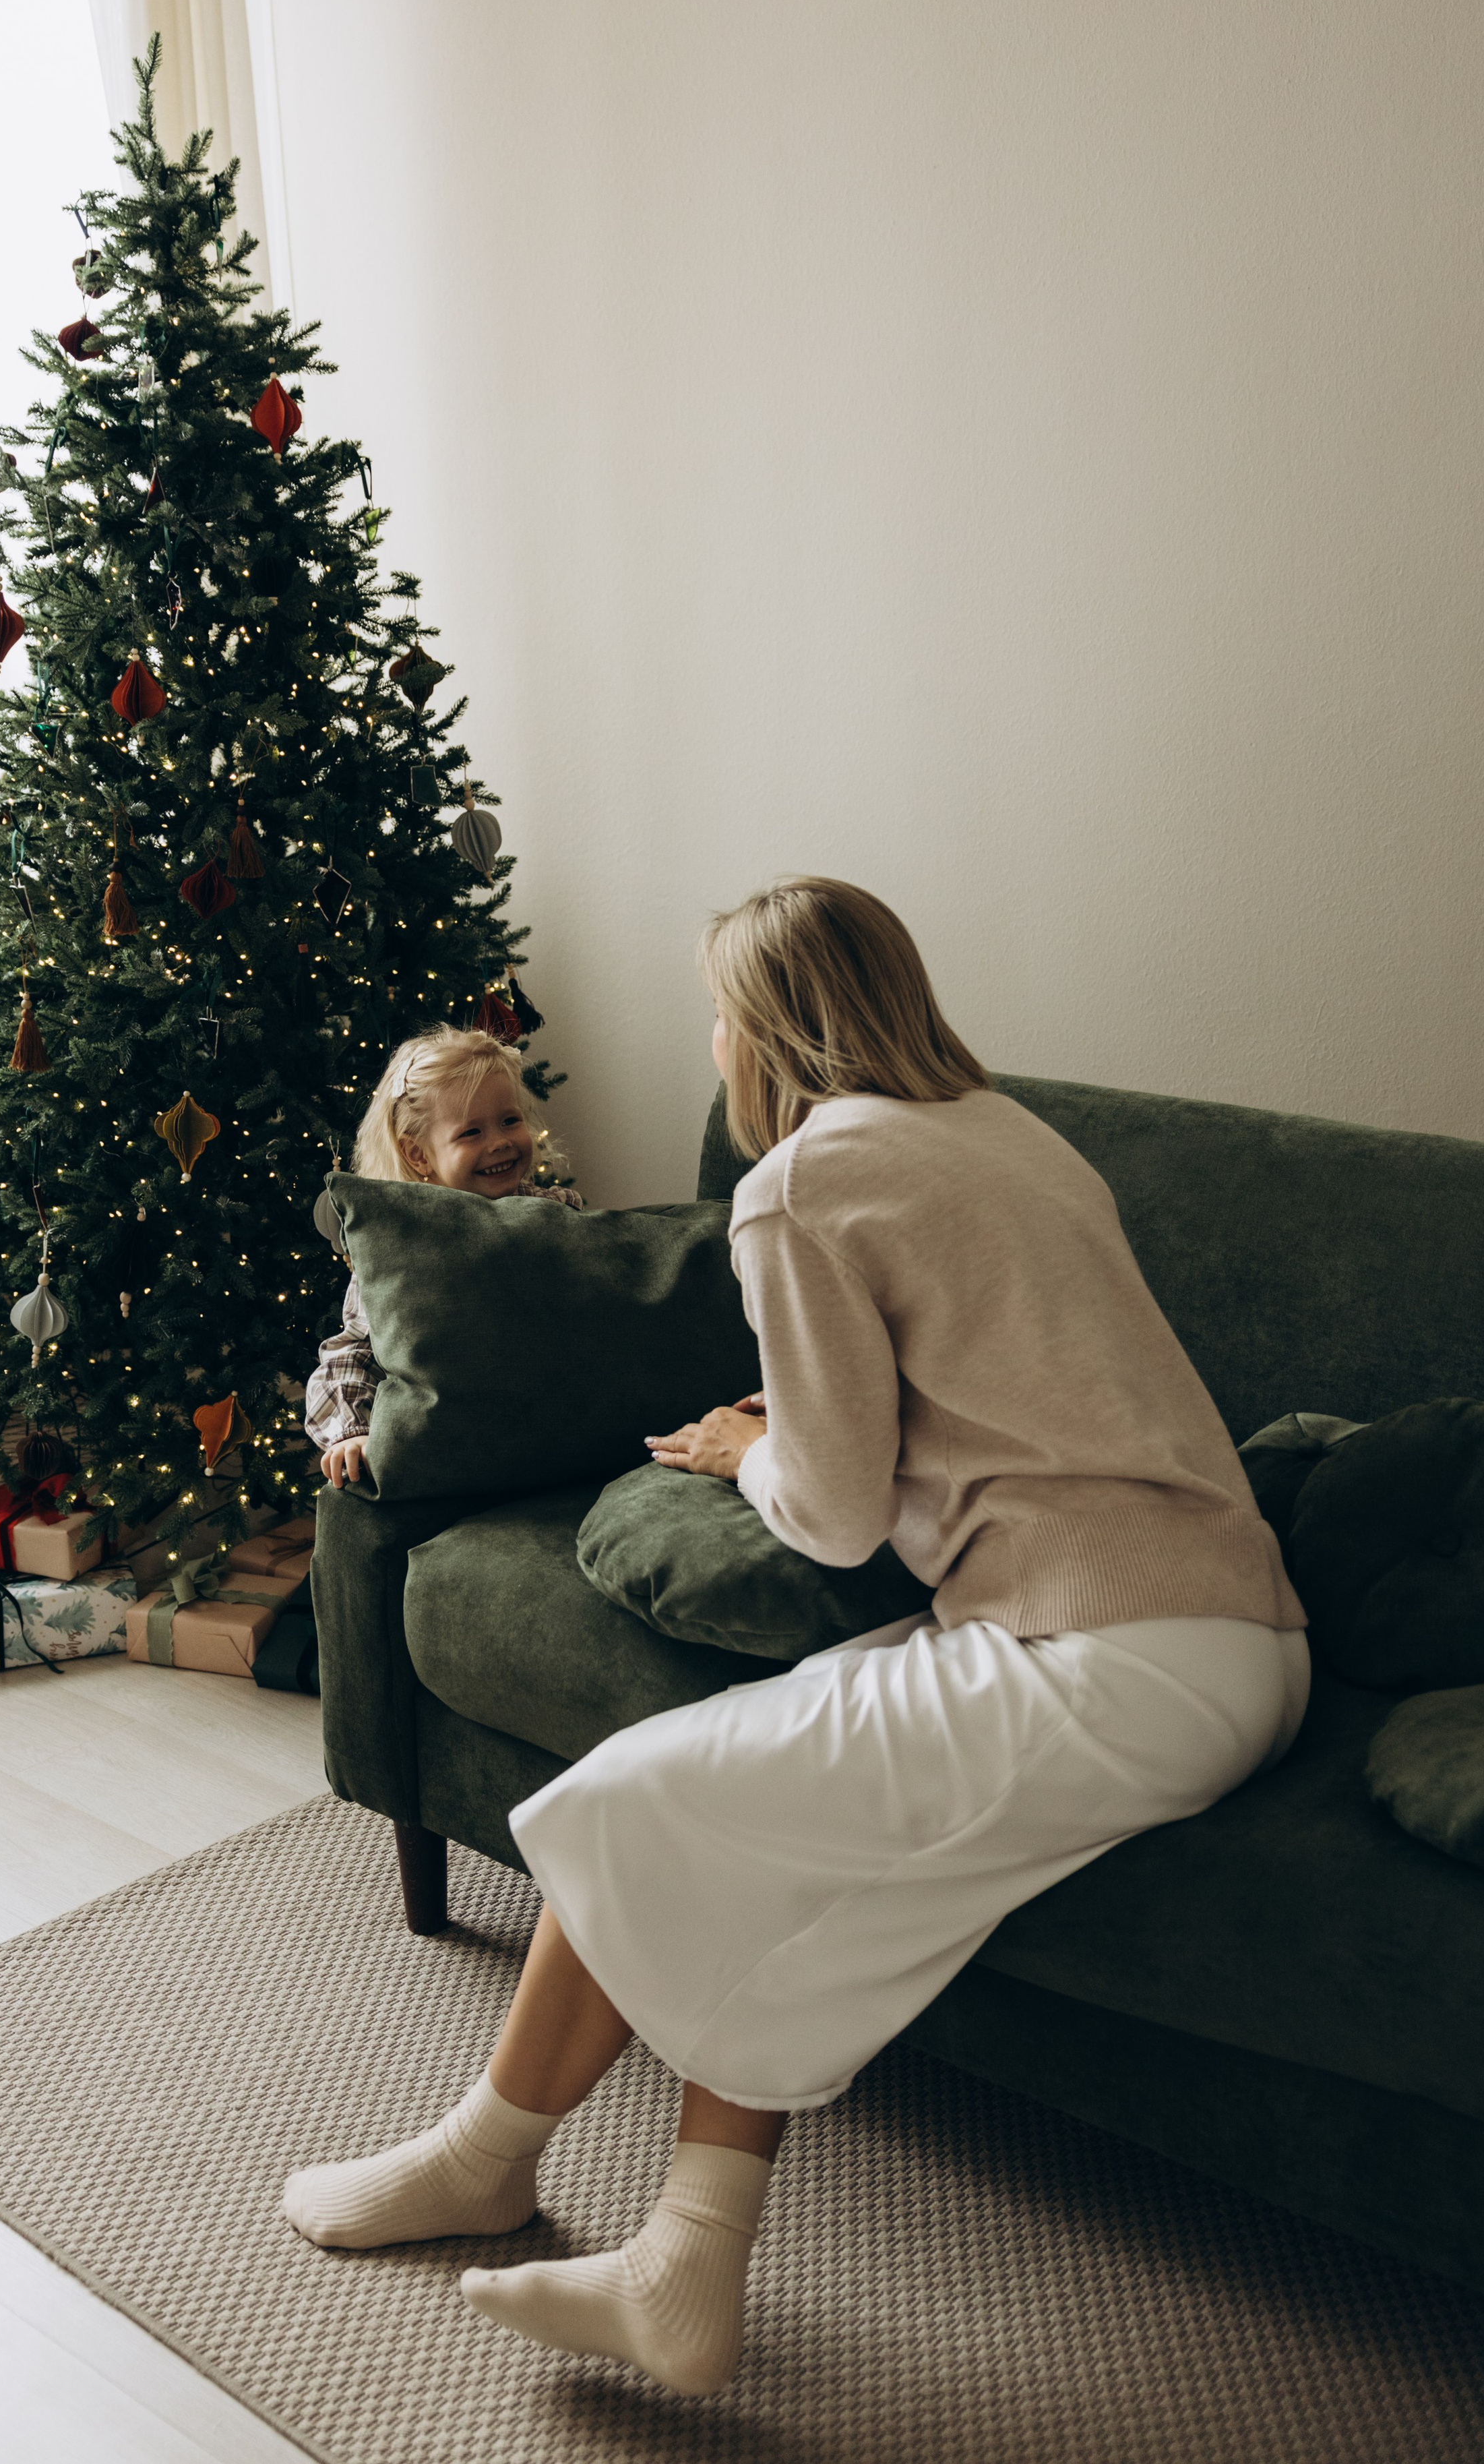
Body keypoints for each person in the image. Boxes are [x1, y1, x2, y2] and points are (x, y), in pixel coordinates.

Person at [283, 878, 1311, 2395]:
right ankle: (673, 2268)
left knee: (627, 1794)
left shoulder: (802, 1183)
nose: (707, 1041)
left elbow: (827, 1520)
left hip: (1107, 1656)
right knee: (721, 1817)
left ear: (763, 1029)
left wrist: (743, 1454)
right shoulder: (1007, 1130)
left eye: (714, 1012)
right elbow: (1006, 1402)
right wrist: (803, 1431)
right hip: (1225, 1634)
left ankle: (485, 2160)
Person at [305, 1024, 584, 1489]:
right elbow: (351, 1352)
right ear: (418, 1155)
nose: (498, 1142)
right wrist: (350, 1433)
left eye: (510, 1120)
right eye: (471, 1131)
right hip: (458, 1437)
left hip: (553, 1420)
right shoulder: (399, 1247)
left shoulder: (557, 1211)